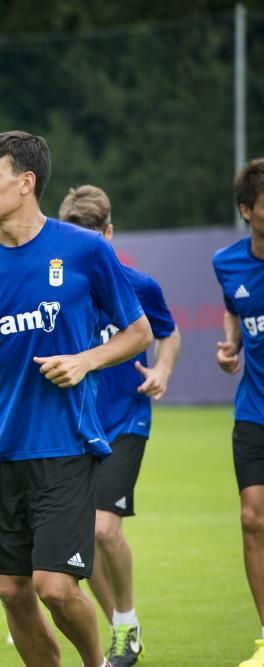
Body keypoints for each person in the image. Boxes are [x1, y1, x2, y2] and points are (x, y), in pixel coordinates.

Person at [0, 131, 152, 667]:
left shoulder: (84, 251)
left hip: (64, 447)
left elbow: (139, 332)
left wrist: (85, 361)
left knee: (54, 587)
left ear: (26, 182)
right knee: (12, 592)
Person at [59, 185, 180, 666]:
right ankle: (121, 631)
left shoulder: (141, 285)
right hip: (77, 426)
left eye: (95, 237)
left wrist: (162, 371)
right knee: (82, 542)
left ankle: (126, 621)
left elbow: (168, 335)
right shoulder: (63, 290)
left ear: (109, 233)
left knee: (104, 530)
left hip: (127, 419)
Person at [213, 158, 264, 667]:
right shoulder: (227, 262)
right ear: (248, 210)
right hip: (254, 409)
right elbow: (235, 305)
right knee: (253, 519)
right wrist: (230, 346)